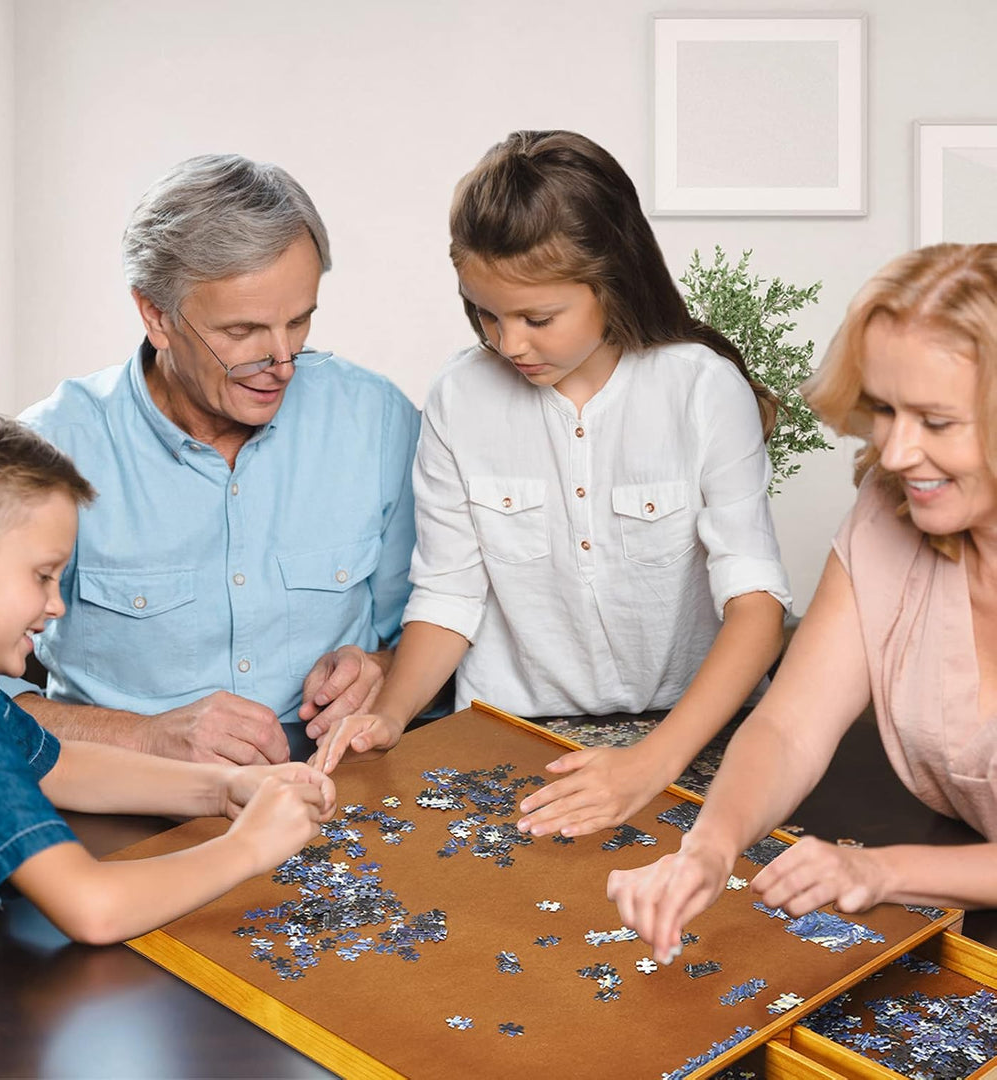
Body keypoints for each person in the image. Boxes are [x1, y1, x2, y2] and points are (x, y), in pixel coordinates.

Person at [315, 131, 791, 837]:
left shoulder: (701, 389)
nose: (509, 344)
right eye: (486, 313)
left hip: (687, 737)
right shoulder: (459, 396)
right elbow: (449, 592)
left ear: (614, 281)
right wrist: (388, 714)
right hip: (509, 742)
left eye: (538, 318)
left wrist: (649, 763)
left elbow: (758, 608)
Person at [0, 405, 336, 1077]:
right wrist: (250, 846)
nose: (56, 605)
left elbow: (57, 765)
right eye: (43, 575)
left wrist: (223, 787)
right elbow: (90, 907)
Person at [608, 243, 997, 965]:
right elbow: (789, 727)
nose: (898, 451)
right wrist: (711, 848)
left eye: (936, 422)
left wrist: (882, 870)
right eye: (884, 409)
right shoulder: (892, 509)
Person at [6, 154, 420, 766]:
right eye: (243, 331)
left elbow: (434, 625)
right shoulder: (50, 451)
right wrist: (145, 736)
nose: (282, 361)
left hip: (337, 794)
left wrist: (382, 669)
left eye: (299, 321)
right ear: (156, 316)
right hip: (124, 804)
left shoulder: (377, 420)